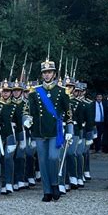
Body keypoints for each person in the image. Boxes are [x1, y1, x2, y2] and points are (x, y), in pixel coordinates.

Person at [23, 59, 73, 202]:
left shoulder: (62, 91)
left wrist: (69, 128)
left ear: (54, 74)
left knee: (53, 157)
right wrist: (26, 118)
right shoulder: (35, 91)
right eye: (44, 73)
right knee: (43, 162)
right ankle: (47, 191)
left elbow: (68, 112)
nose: (46, 75)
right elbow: (27, 109)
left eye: (49, 72)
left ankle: (55, 184)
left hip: (55, 131)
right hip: (39, 131)